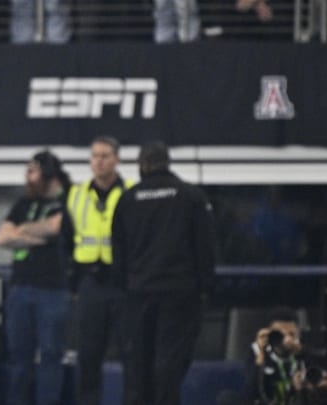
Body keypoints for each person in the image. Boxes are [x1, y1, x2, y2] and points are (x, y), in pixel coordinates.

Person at [112, 141, 216, 405]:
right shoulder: (191, 197)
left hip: (138, 293)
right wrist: (206, 288)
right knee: (170, 364)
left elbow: (118, 252)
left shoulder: (128, 199)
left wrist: (126, 287)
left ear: (141, 165)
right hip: (180, 294)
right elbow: (205, 248)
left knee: (139, 365)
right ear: (168, 163)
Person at [0, 150, 71, 405]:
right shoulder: (24, 203)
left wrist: (22, 232)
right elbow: (2, 237)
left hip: (52, 289)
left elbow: (56, 227)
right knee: (19, 357)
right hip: (20, 289)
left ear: (48, 174)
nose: (27, 177)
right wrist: (37, 237)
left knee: (50, 355)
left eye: (32, 171)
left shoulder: (68, 199)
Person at [62, 136, 134, 405]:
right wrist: (73, 284)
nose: (99, 161)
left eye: (105, 155)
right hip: (89, 282)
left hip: (123, 283)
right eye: (95, 156)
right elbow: (66, 241)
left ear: (117, 159)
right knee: (88, 353)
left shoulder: (130, 192)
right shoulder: (76, 194)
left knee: (131, 352)